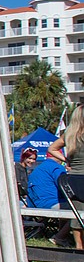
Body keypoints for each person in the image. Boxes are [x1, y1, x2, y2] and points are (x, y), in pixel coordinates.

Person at [47, 102, 84, 247]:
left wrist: (66, 159)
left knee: (78, 213)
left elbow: (52, 148)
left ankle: (79, 247)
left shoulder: (69, 134)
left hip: (73, 180)